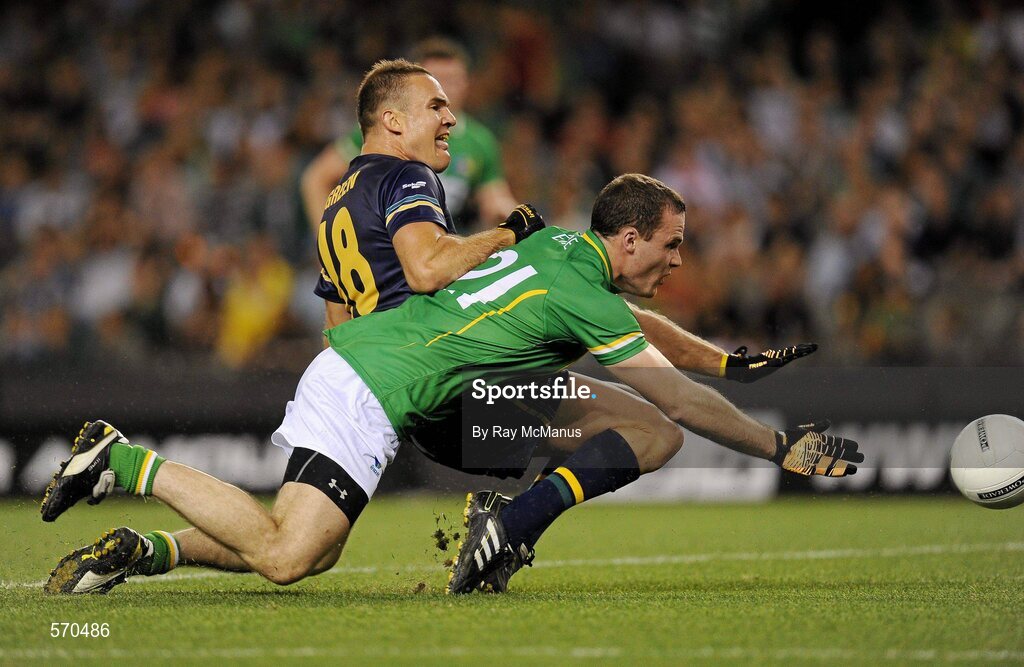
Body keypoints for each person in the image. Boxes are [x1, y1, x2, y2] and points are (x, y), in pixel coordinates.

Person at [39, 174, 861, 595]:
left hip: (417, 388)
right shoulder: (579, 285)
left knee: (653, 432)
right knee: (290, 554)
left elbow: (640, 338)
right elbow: (671, 390)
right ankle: (124, 459)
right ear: (634, 236)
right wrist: (778, 446)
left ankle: (143, 552)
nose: (680, 261)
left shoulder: (567, 252)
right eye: (672, 246)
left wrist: (717, 358)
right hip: (375, 384)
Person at [301, 38, 517, 236]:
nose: (446, 89)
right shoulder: (385, 128)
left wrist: (518, 221)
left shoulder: (479, 141)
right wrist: (330, 244)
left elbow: (495, 200)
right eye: (438, 80)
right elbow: (316, 179)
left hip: (442, 249)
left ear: (467, 83)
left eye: (454, 79)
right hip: (387, 251)